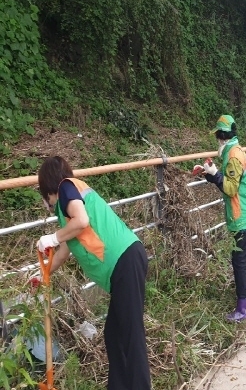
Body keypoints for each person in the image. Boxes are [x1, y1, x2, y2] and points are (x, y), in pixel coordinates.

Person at [36, 156, 151, 390]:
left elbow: (82, 221)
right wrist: (42, 274)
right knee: (114, 334)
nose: (45, 203)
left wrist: (52, 237)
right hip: (124, 264)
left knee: (131, 336)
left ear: (48, 188)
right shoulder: (69, 208)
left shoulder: (66, 188)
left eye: (44, 197)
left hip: (125, 261)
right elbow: (63, 252)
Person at [194, 115, 246, 322]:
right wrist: (209, 173)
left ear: (222, 136)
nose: (217, 140)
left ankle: (242, 309)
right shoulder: (233, 151)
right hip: (243, 216)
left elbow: (230, 188)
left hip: (243, 217)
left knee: (239, 262)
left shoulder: (233, 156)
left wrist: (215, 174)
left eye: (218, 136)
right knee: (239, 260)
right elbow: (227, 181)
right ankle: (243, 301)